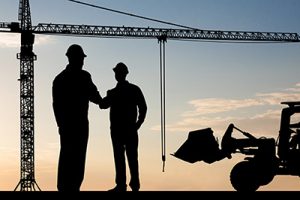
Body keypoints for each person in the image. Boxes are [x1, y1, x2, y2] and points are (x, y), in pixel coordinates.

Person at [52, 44, 102, 191]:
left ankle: (67, 187)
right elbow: (94, 95)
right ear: (74, 58)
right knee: (77, 158)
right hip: (77, 125)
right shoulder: (83, 77)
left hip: (68, 125)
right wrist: (105, 101)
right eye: (81, 58)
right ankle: (70, 187)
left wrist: (60, 125)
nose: (82, 61)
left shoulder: (59, 79)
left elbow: (56, 106)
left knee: (69, 156)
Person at [99, 62, 147, 192]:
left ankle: (123, 185)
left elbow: (102, 105)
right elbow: (143, 107)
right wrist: (138, 124)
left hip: (119, 131)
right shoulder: (133, 89)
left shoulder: (115, 92)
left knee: (121, 158)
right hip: (128, 130)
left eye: (118, 72)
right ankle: (132, 185)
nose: (117, 74)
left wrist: (138, 124)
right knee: (130, 158)